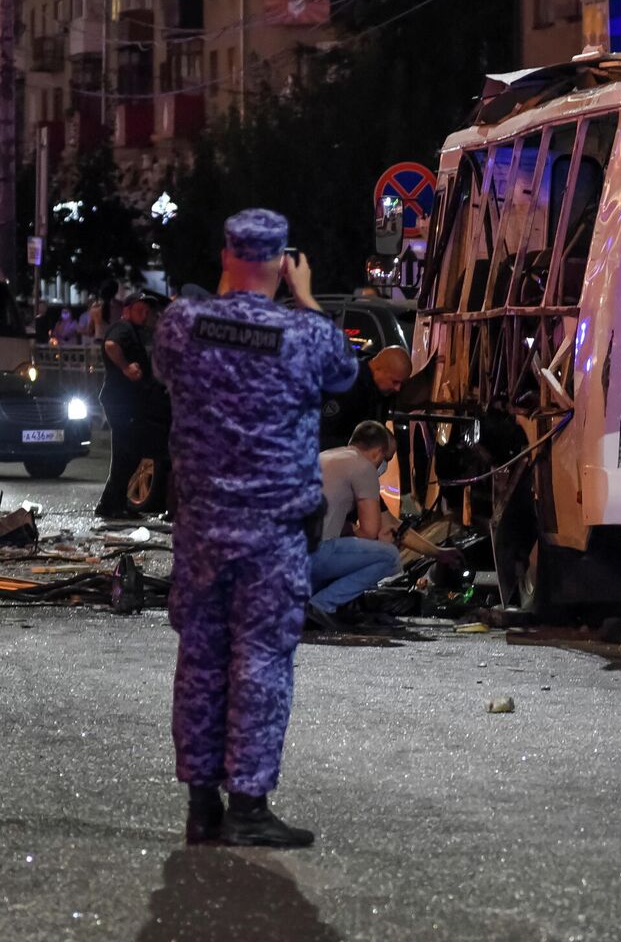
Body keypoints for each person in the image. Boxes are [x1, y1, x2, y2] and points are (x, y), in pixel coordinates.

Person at [152, 210, 360, 849]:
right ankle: (247, 804)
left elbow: (166, 369)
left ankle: (200, 805)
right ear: (281, 260)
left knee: (202, 659)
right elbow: (347, 374)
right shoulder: (304, 335)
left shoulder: (182, 327)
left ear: (225, 253)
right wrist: (303, 298)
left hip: (202, 529)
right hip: (272, 533)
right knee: (261, 662)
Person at [306, 419, 462, 631]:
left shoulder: (324, 457)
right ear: (378, 452)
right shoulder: (363, 468)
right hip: (312, 555)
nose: (383, 465)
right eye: (386, 458)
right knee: (388, 556)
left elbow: (388, 523)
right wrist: (381, 540)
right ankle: (321, 605)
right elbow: (371, 533)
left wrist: (437, 553)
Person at [95, 293, 164, 520]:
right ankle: (112, 506)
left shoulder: (136, 332)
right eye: (139, 310)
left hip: (129, 402)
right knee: (127, 452)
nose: (144, 315)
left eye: (147, 312)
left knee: (129, 453)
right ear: (127, 310)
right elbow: (111, 345)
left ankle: (110, 504)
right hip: (120, 401)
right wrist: (125, 367)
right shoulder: (123, 328)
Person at [318, 346, 411, 451]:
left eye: (401, 384)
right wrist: (362, 447)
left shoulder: (378, 388)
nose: (398, 388)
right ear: (377, 370)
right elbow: (321, 435)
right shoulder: (345, 387)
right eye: (395, 382)